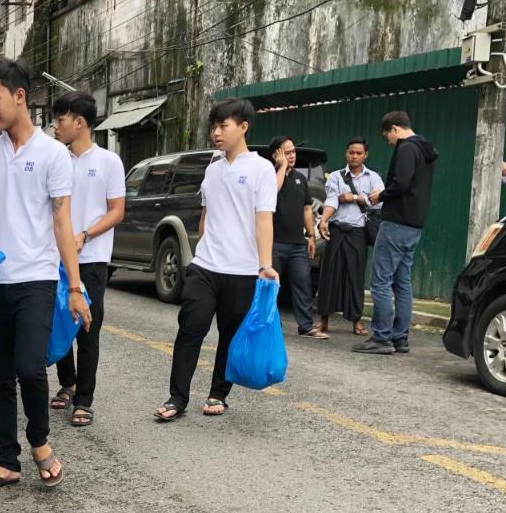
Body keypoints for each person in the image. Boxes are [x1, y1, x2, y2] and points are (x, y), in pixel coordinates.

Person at [0, 59, 91, 493]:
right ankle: (5, 461)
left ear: (19, 96)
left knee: (30, 369)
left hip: (35, 278)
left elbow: (61, 224)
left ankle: (39, 442)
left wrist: (73, 287)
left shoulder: (53, 156)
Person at [153, 98, 278, 422]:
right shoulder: (213, 169)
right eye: (214, 126)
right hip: (206, 265)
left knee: (230, 333)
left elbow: (264, 219)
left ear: (243, 127)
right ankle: (176, 397)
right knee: (191, 327)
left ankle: (218, 393)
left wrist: (264, 265)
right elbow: (207, 215)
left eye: (224, 126)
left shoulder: (261, 168)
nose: (216, 132)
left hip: (243, 269)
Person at [48, 90, 126, 426]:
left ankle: (85, 399)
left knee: (88, 328)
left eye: (60, 119)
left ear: (80, 123)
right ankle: (67, 383)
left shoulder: (108, 162)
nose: (55, 126)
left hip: (92, 257)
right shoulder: (56, 159)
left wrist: (85, 235)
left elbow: (117, 211)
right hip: (55, 256)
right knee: (60, 321)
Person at [354, 111, 438, 355]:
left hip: (396, 222)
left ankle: (381, 337)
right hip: (414, 224)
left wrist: (380, 195)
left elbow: (400, 183)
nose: (389, 141)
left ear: (394, 129)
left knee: (380, 281)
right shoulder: (425, 149)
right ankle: (400, 337)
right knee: (402, 282)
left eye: (387, 136)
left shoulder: (406, 148)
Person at [317, 137, 384, 336]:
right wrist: (324, 220)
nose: (354, 156)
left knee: (355, 276)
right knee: (329, 275)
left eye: (358, 153)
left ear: (365, 155)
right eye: (351, 152)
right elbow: (331, 201)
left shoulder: (373, 177)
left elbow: (379, 202)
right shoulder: (336, 177)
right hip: (337, 230)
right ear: (346, 154)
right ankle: (323, 320)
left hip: (358, 232)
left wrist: (354, 197)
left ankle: (356, 322)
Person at [268, 135, 324, 340]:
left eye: (293, 151)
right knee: (272, 286)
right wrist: (281, 167)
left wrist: (310, 235)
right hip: (274, 242)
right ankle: (273, 324)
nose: (292, 155)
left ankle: (306, 325)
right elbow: (272, 192)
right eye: (287, 152)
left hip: (297, 243)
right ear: (276, 154)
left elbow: (307, 208)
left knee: (303, 283)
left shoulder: (301, 179)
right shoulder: (269, 174)